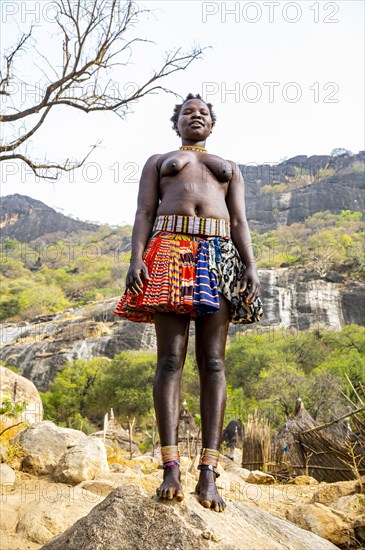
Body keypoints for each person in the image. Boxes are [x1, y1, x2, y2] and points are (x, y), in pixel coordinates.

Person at [114, 93, 263, 512]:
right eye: (187, 112)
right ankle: (170, 469)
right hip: (169, 250)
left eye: (203, 113)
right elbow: (144, 211)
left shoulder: (228, 167)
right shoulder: (159, 160)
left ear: (212, 125)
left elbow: (238, 221)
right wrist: (136, 257)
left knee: (213, 363)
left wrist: (250, 265)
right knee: (169, 361)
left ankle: (209, 475)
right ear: (175, 123)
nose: (195, 116)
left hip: (219, 255)